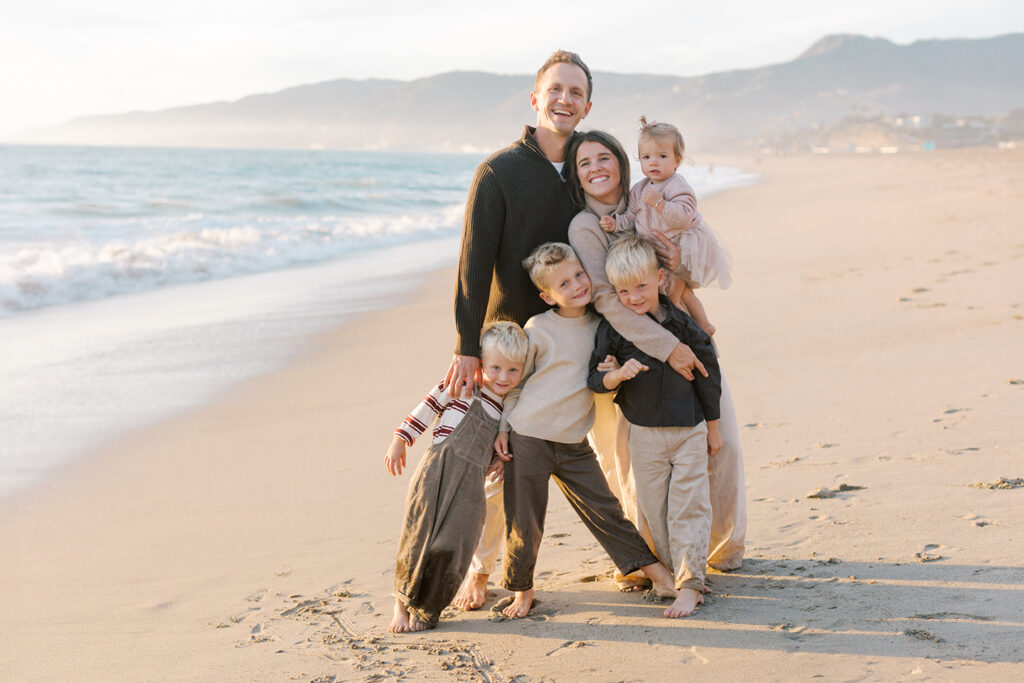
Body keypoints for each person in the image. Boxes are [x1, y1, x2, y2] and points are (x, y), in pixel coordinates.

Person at [565, 130, 747, 573]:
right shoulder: (584, 227)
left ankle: (722, 546)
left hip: (683, 328)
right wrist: (668, 350)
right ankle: (647, 558)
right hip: (632, 351)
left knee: (721, 443)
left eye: (604, 158)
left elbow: (687, 265)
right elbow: (606, 299)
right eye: (585, 163)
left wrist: (677, 269)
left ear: (623, 163)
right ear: (576, 175)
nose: (596, 169)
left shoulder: (646, 197)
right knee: (630, 462)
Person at [497, 242, 678, 619]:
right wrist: (502, 428)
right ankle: (522, 592)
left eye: (579, 274)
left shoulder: (602, 325)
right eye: (565, 282)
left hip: (574, 440)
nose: (578, 284)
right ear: (548, 295)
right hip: (528, 434)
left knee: (605, 509)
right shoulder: (538, 327)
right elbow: (516, 383)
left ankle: (657, 574)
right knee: (525, 518)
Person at [589, 235, 722, 617]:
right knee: (656, 510)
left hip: (689, 430)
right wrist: (613, 374)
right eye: (624, 291)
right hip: (643, 435)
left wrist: (714, 428)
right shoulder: (615, 330)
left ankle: (691, 583)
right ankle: (681, 573)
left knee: (690, 505)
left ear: (661, 278)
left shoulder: (682, 323)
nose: (633, 298)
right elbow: (593, 379)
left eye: (642, 287)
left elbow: (708, 375)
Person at [385, 322, 527, 633]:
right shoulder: (463, 384)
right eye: (496, 368)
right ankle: (400, 604)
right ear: (481, 364)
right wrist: (401, 439)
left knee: (453, 545)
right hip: (436, 470)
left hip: (471, 485)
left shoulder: (508, 409)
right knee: (418, 536)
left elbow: (500, 448)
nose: (504, 377)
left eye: (513, 370)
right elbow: (428, 405)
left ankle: (428, 608)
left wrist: (499, 461)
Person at [600, 117, 733, 337]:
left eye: (662, 156)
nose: (653, 162)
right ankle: (702, 326)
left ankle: (694, 324)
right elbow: (631, 215)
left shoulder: (677, 186)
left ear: (676, 161)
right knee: (683, 295)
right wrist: (616, 223)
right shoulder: (639, 189)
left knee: (677, 293)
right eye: (646, 157)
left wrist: (660, 204)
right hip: (657, 249)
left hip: (682, 244)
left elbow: (683, 216)